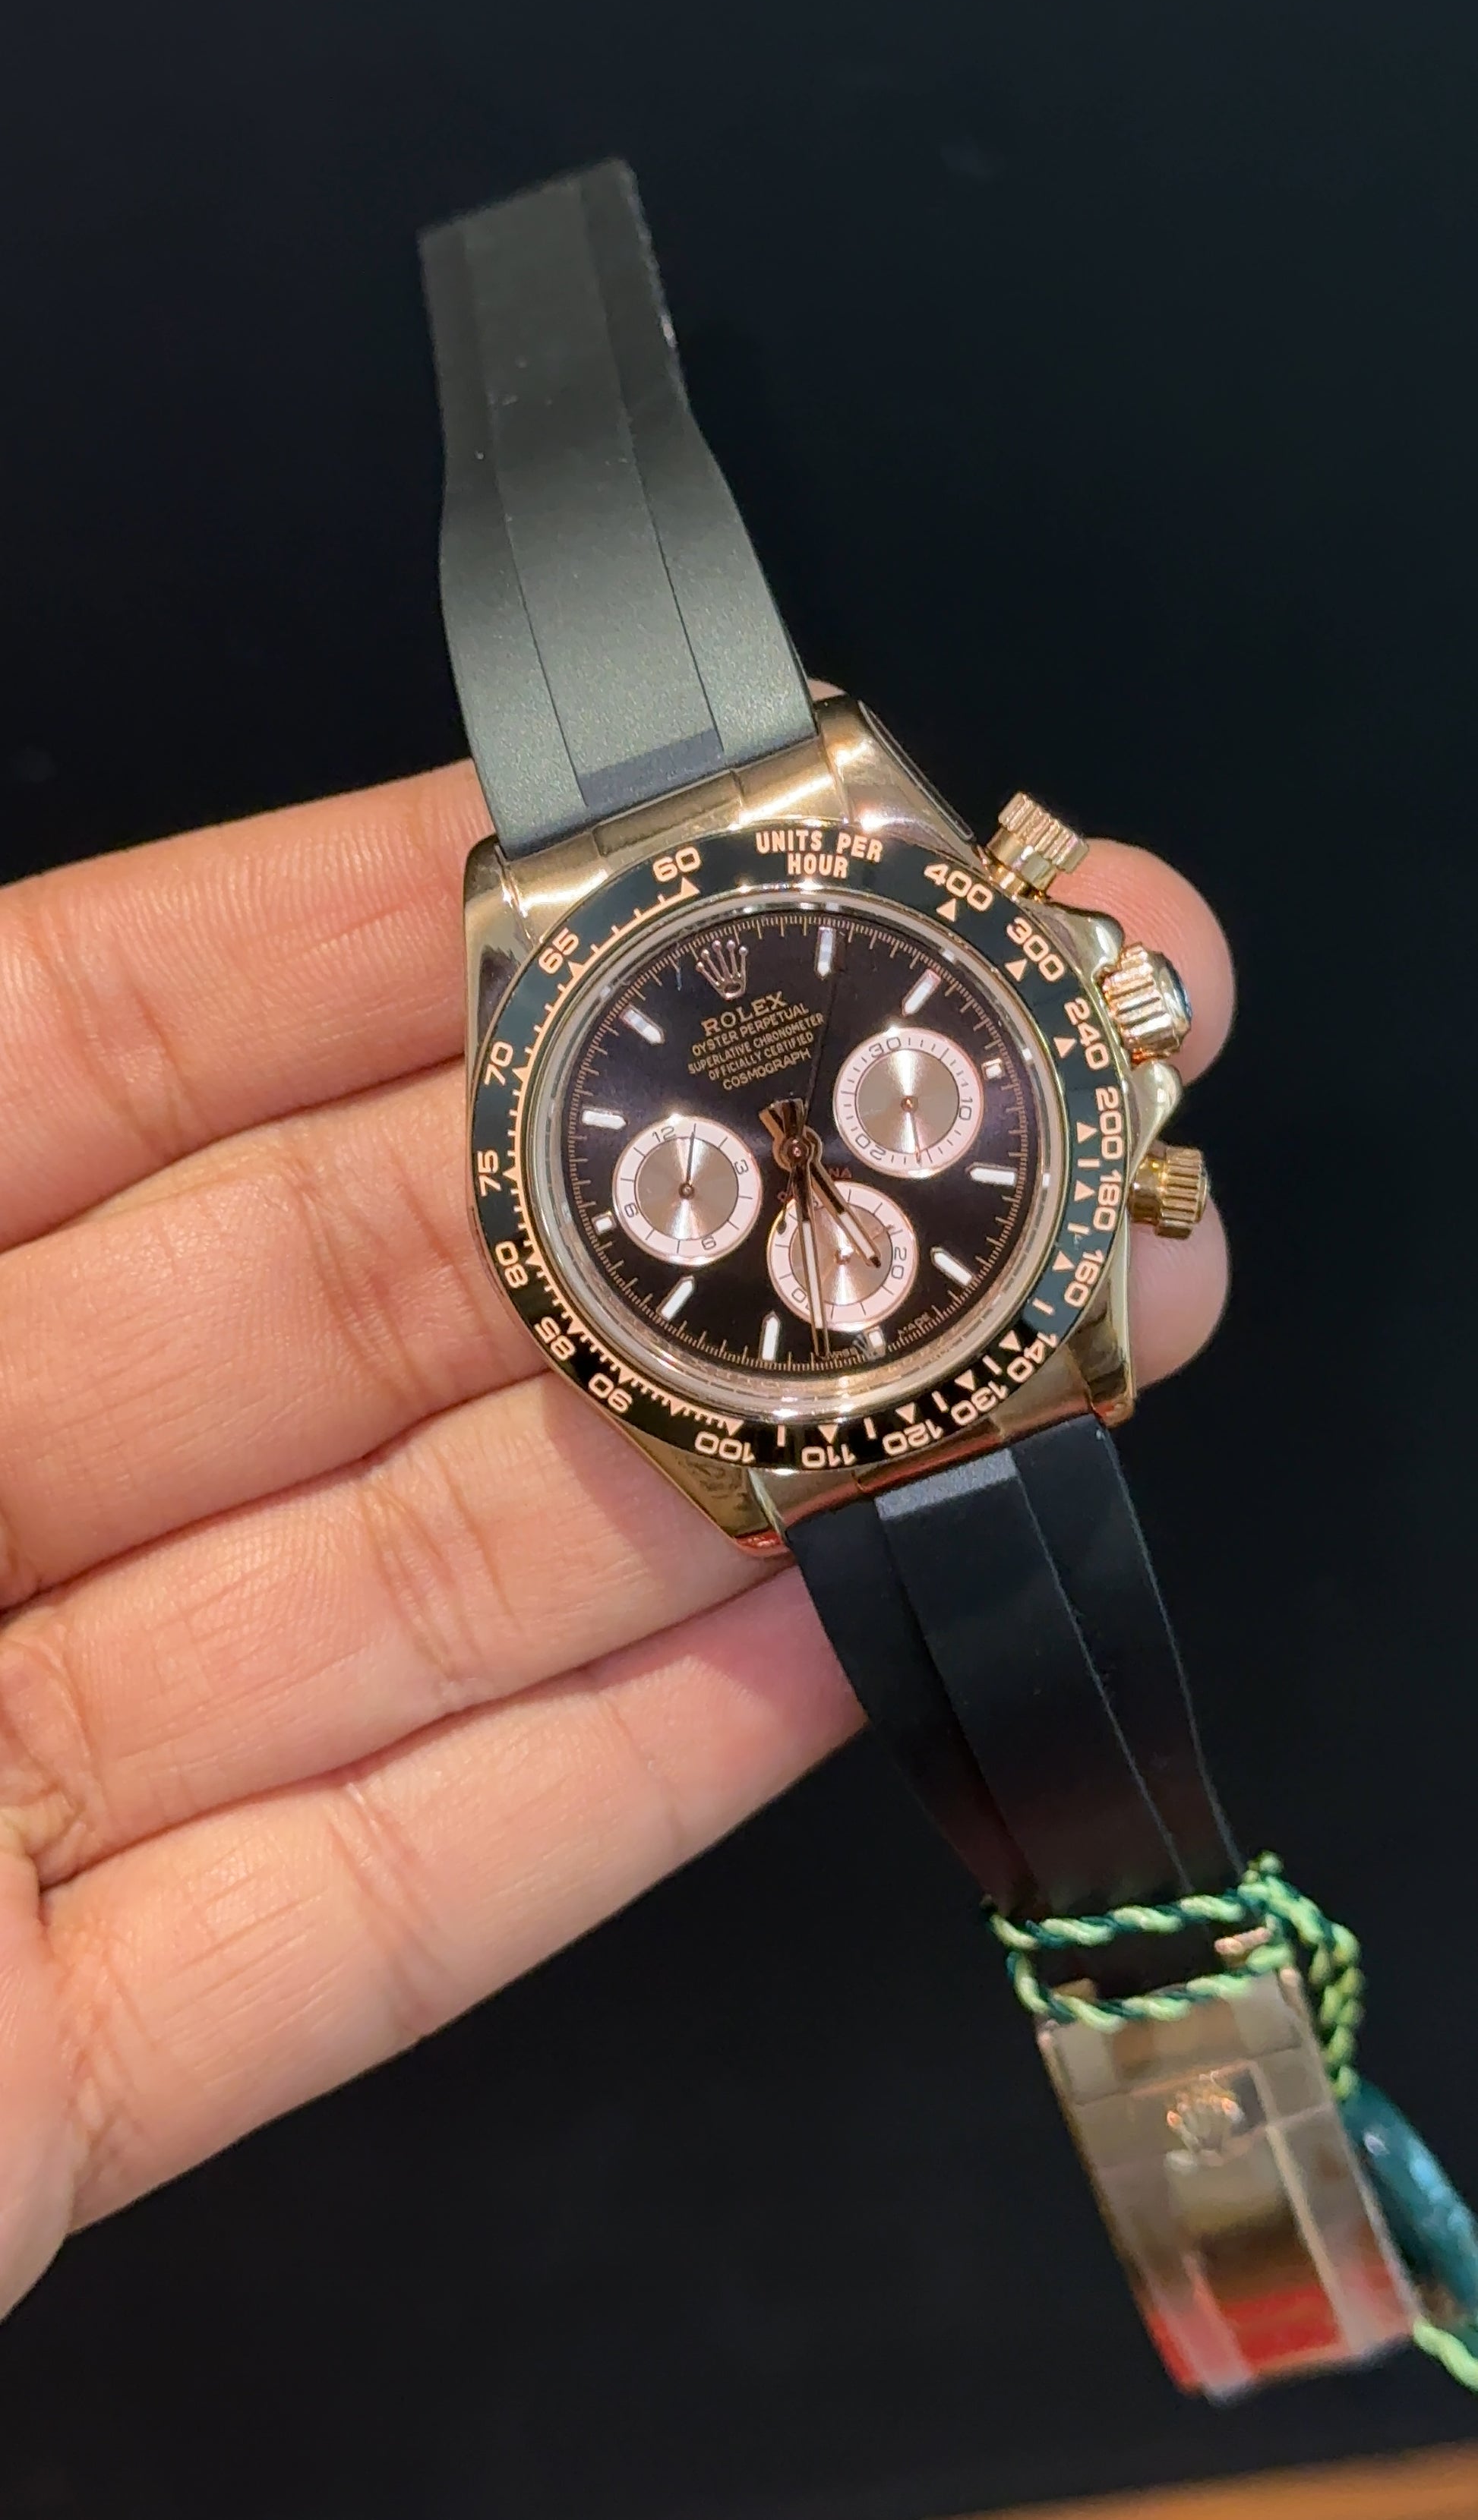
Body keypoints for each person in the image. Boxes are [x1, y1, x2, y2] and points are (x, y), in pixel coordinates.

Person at [0, 733, 1233, 2313]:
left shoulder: (766, 849)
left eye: (830, 1117)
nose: (797, 1138)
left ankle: (1242, 2209)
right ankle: (1239, 2210)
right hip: (818, 1399)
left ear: (1097, 1025)